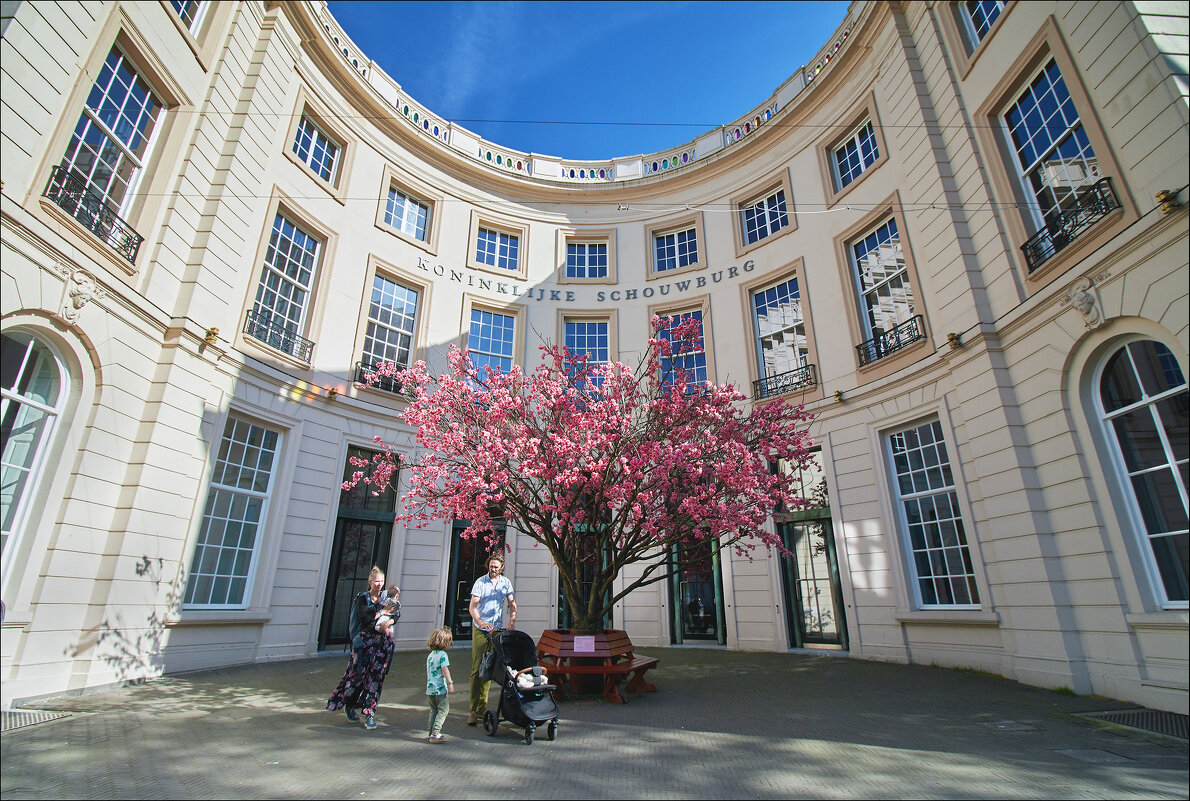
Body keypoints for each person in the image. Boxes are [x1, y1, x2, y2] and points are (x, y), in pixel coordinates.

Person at [326, 566, 396, 730]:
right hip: (364, 644)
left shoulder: (386, 598)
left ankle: (369, 713)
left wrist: (389, 621)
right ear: (370, 582)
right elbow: (365, 618)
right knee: (357, 677)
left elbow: (396, 613)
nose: (379, 585)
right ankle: (349, 705)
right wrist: (382, 612)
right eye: (376, 582)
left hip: (381, 645)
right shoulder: (363, 598)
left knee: (376, 680)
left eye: (381, 582)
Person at [466, 553, 516, 725]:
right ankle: (473, 709)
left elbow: (512, 603)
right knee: (476, 667)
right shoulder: (480, 582)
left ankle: (482, 706)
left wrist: (511, 622)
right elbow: (472, 606)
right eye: (491, 566)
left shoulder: (505, 582)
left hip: (496, 629)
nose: (493, 569)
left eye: (496, 567)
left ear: (501, 568)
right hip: (481, 629)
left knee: (489, 667)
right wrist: (480, 622)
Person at [425, 627, 455, 743]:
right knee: (443, 710)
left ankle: (430, 732)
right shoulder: (443, 655)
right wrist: (450, 683)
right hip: (440, 688)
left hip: (430, 688)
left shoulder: (431, 655)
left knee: (433, 710)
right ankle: (435, 733)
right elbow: (445, 669)